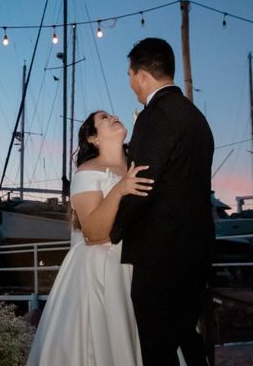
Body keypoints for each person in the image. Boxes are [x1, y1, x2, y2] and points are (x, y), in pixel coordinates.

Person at [110, 37, 215, 366]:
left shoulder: (154, 117)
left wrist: (112, 231)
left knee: (156, 348)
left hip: (161, 256)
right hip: (197, 253)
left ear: (142, 74)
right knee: (186, 337)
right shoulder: (197, 119)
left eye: (129, 75)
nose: (130, 83)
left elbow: (141, 185)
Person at [25, 110, 153, 366]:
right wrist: (119, 189)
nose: (113, 116)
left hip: (139, 266)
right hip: (103, 272)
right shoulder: (87, 172)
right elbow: (93, 234)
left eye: (113, 114)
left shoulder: (136, 164)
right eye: (104, 118)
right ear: (93, 138)